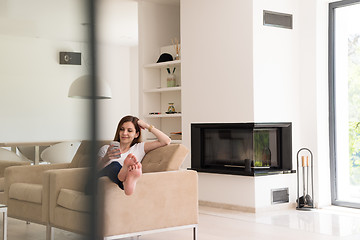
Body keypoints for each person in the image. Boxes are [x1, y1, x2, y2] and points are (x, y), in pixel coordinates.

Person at [95, 115, 171, 195]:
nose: (124, 133)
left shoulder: (139, 148)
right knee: (114, 165)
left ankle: (125, 179)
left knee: (122, 168)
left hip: (120, 183)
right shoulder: (106, 148)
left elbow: (166, 141)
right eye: (122, 129)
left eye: (129, 130)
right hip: (96, 183)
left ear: (136, 134)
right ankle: (123, 174)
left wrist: (147, 126)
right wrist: (105, 159)